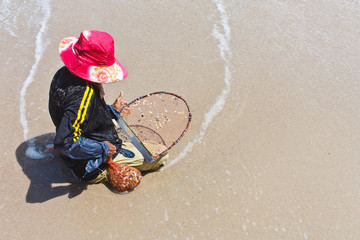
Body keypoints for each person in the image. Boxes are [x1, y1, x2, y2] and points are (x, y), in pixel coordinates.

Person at [49, 30, 167, 183]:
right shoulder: (84, 97)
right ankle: (97, 172)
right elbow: (64, 142)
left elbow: (82, 114)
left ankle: (64, 155)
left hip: (76, 134)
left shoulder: (62, 73)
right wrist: (103, 148)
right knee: (161, 155)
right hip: (87, 163)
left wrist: (112, 110)